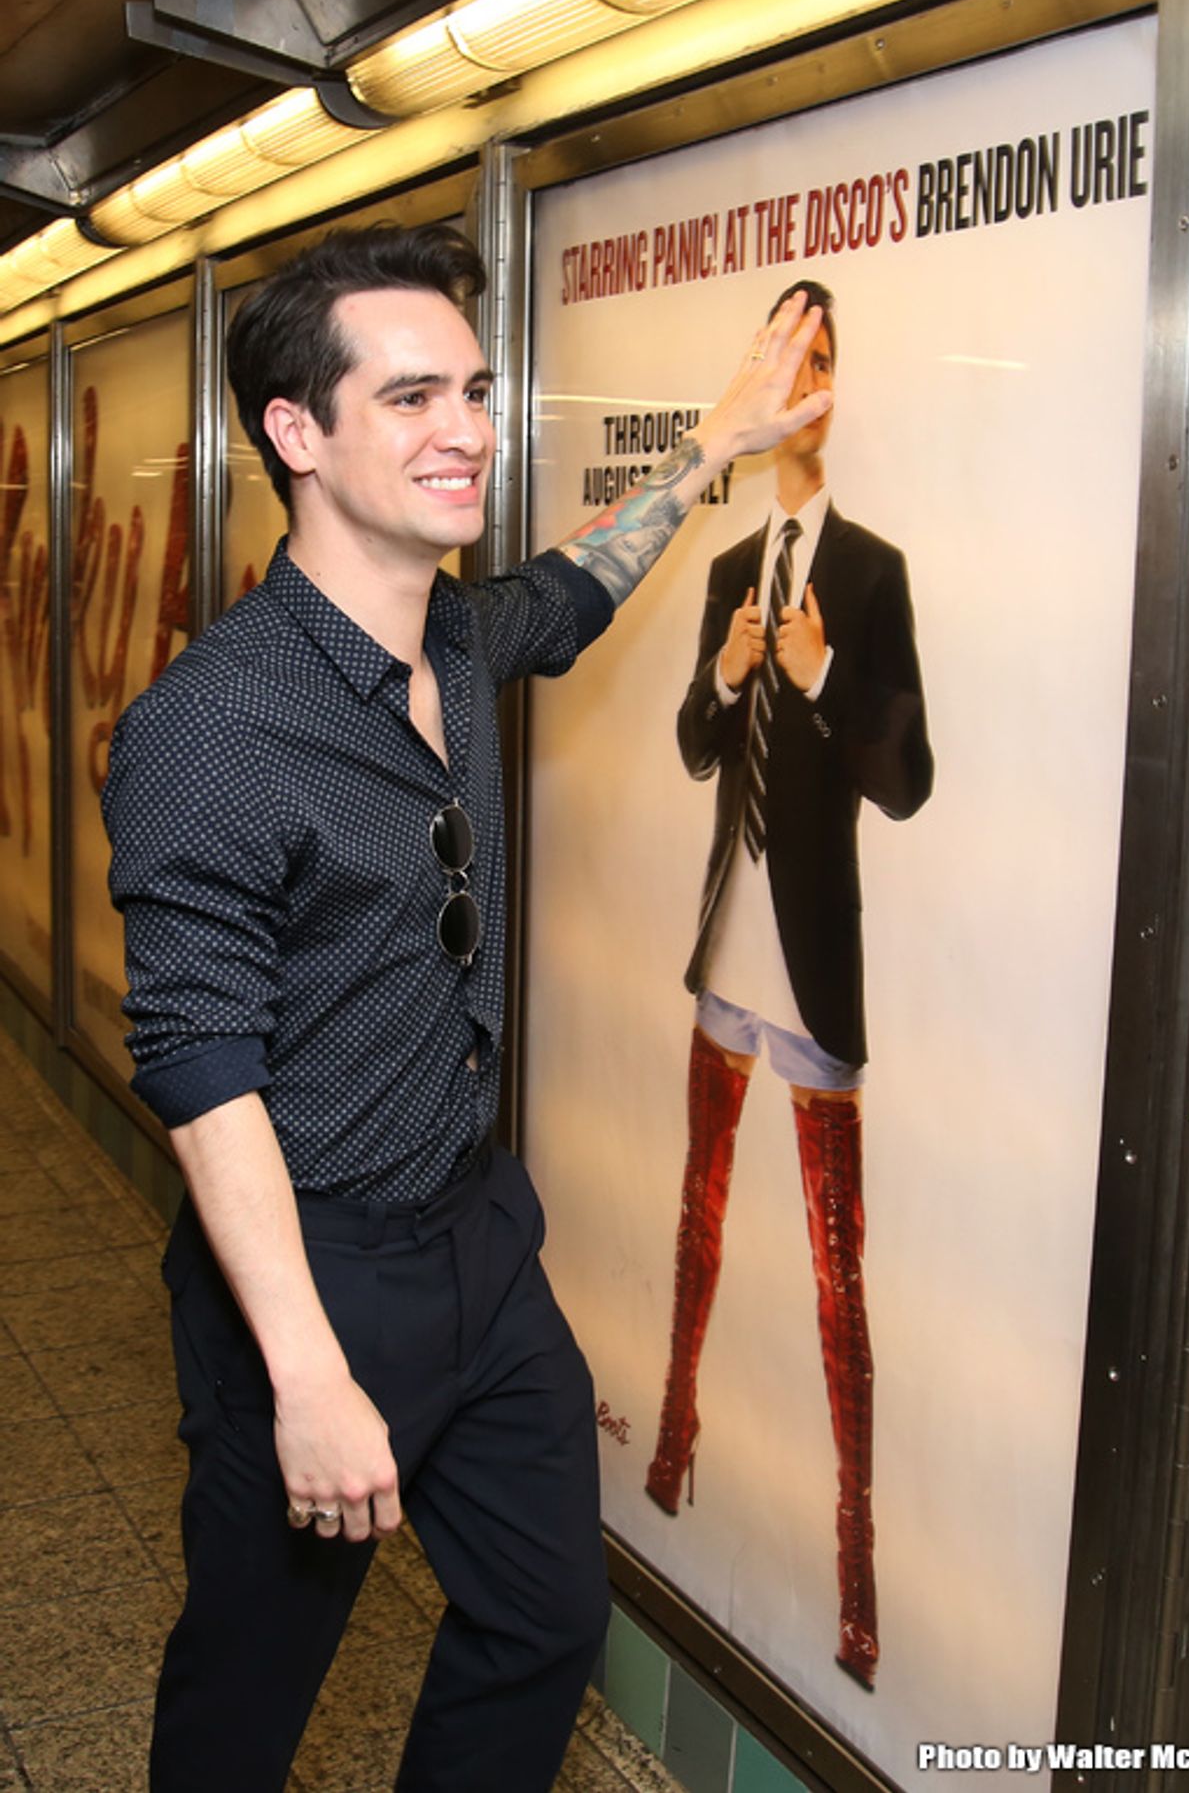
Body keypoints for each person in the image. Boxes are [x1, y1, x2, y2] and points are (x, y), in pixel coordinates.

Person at [101, 223, 830, 1793]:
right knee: (243, 1704)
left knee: (546, 1616)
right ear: (297, 433)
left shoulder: (453, 630)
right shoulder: (209, 729)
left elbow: (573, 592)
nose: (470, 431)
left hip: (481, 1244)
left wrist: (722, 438)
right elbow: (201, 1068)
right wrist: (305, 1377)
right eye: (414, 395)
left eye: (479, 390)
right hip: (306, 1270)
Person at [644, 280, 933, 1692]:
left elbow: (909, 780)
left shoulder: (868, 574)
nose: (806, 382)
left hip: (814, 978)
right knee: (696, 1219)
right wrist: (729, 666)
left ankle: (859, 1581)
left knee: (838, 1281)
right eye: (786, 358)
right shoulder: (725, 570)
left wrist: (820, 678)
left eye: (826, 359)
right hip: (725, 958)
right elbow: (700, 746)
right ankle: (673, 1444)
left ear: (840, 384)